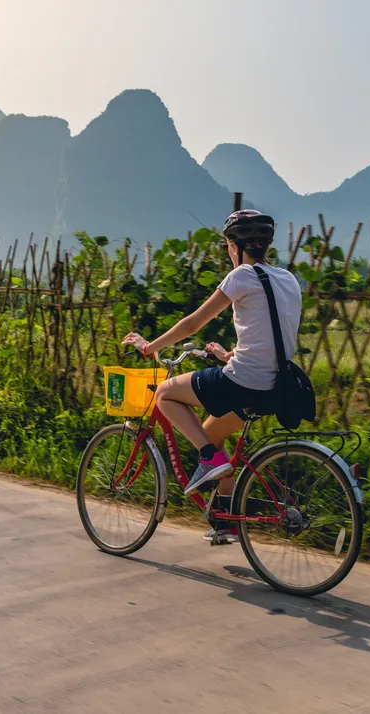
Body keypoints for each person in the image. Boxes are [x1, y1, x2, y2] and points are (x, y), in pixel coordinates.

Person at [121, 210, 302, 544]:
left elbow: (193, 324)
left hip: (242, 382)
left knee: (164, 393)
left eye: (228, 245)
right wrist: (228, 355)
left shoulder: (241, 275)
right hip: (275, 386)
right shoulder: (288, 279)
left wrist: (150, 347)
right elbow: (273, 337)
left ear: (235, 246)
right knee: (210, 434)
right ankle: (226, 522)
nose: (228, 252)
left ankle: (208, 459)